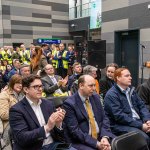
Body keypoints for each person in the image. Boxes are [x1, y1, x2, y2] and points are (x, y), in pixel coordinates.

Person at [9, 74, 75, 150]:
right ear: (26, 90)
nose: (40, 89)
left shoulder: (48, 104)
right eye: (36, 87)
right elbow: (22, 138)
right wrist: (47, 127)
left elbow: (61, 133)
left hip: (53, 145)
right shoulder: (16, 110)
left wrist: (58, 124)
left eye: (41, 86)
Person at [63, 75, 114, 150]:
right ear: (81, 85)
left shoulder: (95, 97)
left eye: (94, 85)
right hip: (81, 141)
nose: (94, 88)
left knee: (119, 143)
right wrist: (96, 144)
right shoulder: (69, 104)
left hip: (100, 136)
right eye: (91, 86)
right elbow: (75, 132)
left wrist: (105, 137)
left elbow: (104, 118)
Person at [104, 67, 150, 145]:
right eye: (127, 76)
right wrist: (141, 126)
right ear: (118, 78)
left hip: (137, 122)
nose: (130, 78)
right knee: (143, 138)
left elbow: (142, 106)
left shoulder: (131, 91)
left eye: (130, 75)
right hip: (119, 125)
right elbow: (119, 116)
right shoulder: (111, 95)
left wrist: (147, 120)